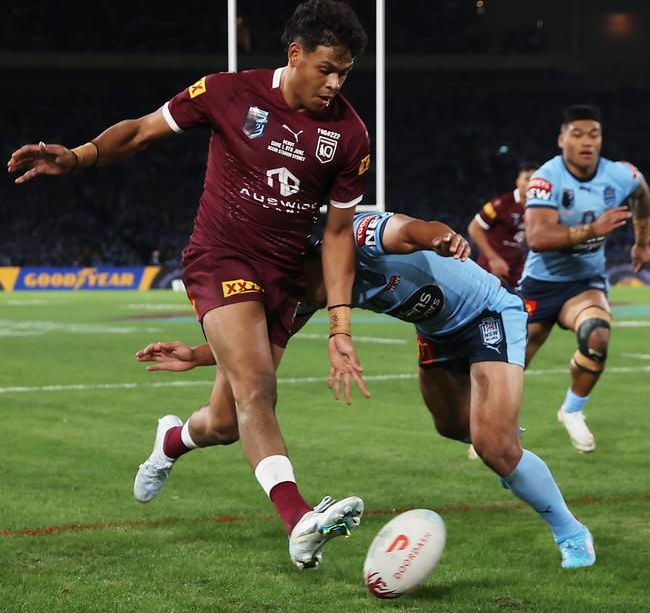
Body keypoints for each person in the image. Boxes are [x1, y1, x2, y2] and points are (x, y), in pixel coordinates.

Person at [7, 0, 374, 570]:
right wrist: (77, 157)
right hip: (220, 259)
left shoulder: (350, 133)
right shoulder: (227, 92)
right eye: (326, 68)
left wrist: (340, 325)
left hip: (283, 278)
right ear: (295, 54)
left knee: (227, 422)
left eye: (345, 72)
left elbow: (336, 233)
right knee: (258, 388)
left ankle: (171, 441)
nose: (334, 83)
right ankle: (299, 520)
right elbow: (143, 132)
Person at [137, 212, 596, 569]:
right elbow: (250, 352)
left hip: (489, 314)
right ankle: (506, 452)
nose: (292, 290)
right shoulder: (304, 293)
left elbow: (408, 230)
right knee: (454, 428)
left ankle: (570, 531)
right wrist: (197, 355)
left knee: (494, 445)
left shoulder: (357, 237)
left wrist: (439, 235)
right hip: (435, 333)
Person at [521, 105, 650, 453]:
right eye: (577, 134)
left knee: (597, 334)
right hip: (541, 283)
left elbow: (641, 192)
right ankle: (496, 428)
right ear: (562, 139)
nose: (586, 141)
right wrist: (593, 229)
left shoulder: (619, 174)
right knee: (515, 363)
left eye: (593, 134)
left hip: (585, 282)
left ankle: (572, 411)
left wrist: (642, 241)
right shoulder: (547, 178)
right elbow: (538, 237)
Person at [467, 161, 539, 288]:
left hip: (517, 269)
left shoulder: (540, 207)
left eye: (536, 179)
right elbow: (474, 228)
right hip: (492, 267)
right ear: (517, 181)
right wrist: (493, 258)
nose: (531, 184)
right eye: (527, 179)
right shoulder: (502, 203)